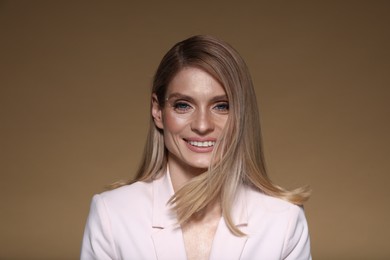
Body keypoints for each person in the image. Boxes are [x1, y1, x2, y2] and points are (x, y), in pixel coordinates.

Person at [81, 35, 311, 260]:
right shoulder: (112, 214)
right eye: (183, 105)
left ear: (242, 115)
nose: (202, 125)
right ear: (157, 111)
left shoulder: (284, 220)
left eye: (221, 106)